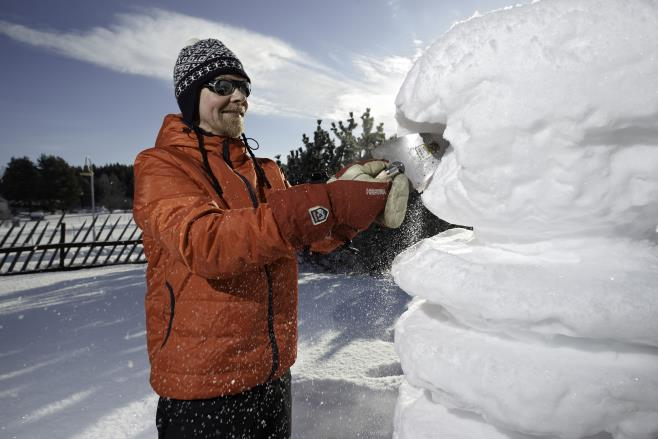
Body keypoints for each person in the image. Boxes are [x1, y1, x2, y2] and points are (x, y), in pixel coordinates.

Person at [133, 38, 409, 438]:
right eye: (223, 87)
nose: (239, 97)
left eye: (244, 87)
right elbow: (207, 244)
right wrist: (326, 203)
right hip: (203, 390)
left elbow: (302, 237)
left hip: (272, 375)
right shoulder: (161, 166)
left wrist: (351, 212)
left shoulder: (264, 170)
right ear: (192, 96)